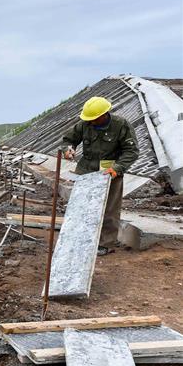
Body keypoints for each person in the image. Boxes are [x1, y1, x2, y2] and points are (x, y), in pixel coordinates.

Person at [61, 96, 139, 255]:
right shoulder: (84, 124)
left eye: (94, 119)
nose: (91, 122)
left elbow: (131, 151)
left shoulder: (121, 125)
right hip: (85, 170)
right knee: (81, 207)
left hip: (109, 172)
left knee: (109, 209)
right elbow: (68, 139)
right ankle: (80, 239)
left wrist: (118, 168)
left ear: (104, 115)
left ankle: (106, 243)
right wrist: (68, 149)